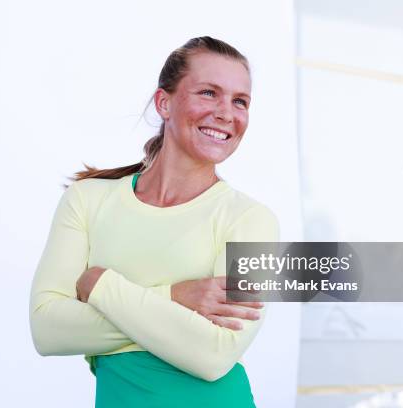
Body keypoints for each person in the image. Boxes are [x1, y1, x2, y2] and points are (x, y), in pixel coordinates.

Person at [29, 36, 279, 408]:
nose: (227, 112)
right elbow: (47, 329)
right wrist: (176, 298)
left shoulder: (252, 220)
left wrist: (100, 286)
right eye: (209, 93)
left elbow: (213, 355)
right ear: (164, 103)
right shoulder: (88, 200)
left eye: (240, 101)